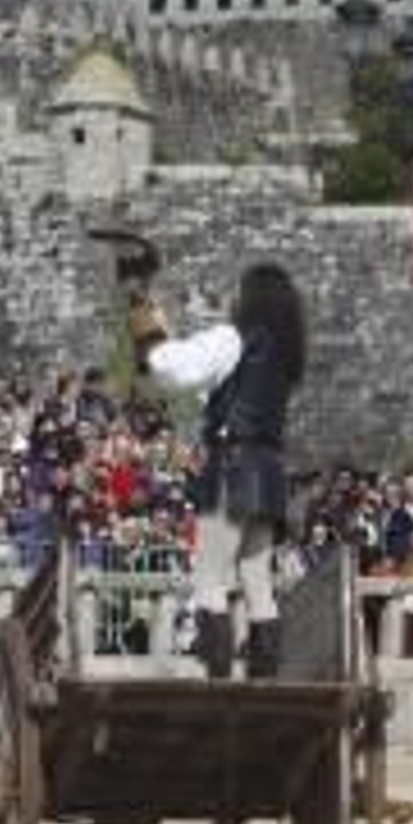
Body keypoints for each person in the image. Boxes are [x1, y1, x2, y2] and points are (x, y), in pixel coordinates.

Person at [129, 262, 307, 680]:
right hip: (269, 470)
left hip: (234, 466)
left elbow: (172, 369)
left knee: (209, 579)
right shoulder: (284, 355)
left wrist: (142, 316)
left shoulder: (234, 338)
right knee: (258, 582)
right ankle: (265, 683)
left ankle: (219, 682)